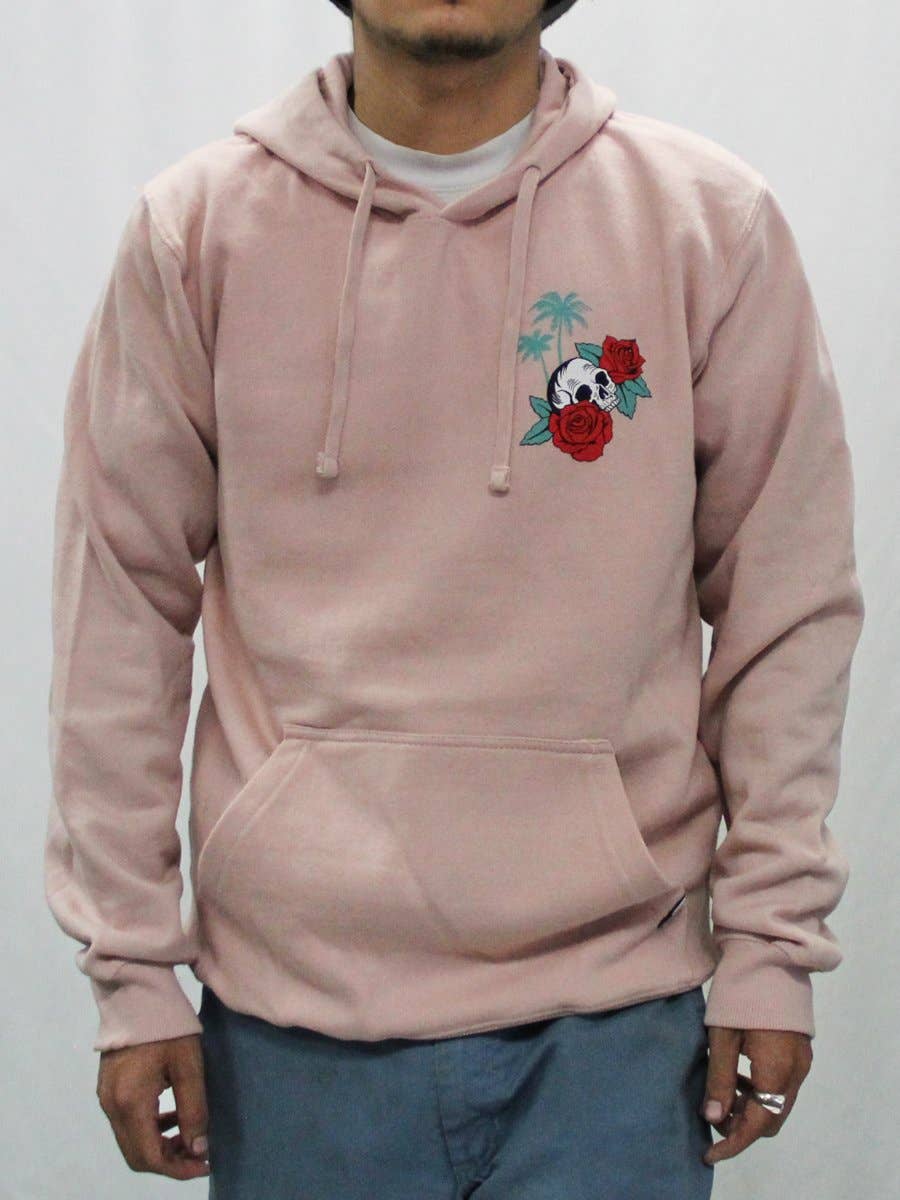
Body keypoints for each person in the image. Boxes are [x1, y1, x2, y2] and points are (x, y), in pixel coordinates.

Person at [44, 1, 865, 1195]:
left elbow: (787, 602)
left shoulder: (706, 223)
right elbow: (118, 609)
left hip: (620, 1023)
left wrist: (771, 945)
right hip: (292, 1028)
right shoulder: (199, 230)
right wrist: (131, 971)